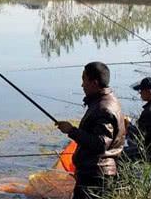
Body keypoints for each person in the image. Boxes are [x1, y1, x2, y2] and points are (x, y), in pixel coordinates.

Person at [56, 62, 125, 199]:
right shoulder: (105, 100)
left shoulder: (103, 108)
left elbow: (100, 143)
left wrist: (71, 131)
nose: (82, 85)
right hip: (97, 172)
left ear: (94, 83)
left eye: (84, 80)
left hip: (95, 175)